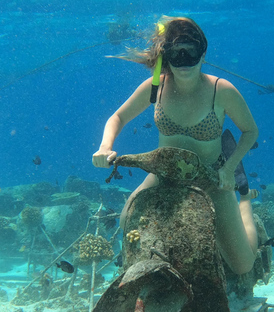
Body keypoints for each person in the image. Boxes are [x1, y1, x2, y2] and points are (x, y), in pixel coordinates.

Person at [92, 16, 259, 275]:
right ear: (165, 56)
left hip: (213, 176)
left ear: (203, 54)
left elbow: (250, 131)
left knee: (243, 266)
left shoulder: (221, 90)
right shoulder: (155, 87)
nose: (184, 62)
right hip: (164, 173)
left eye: (190, 53)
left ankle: (246, 202)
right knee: (126, 220)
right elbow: (118, 117)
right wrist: (105, 147)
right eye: (176, 54)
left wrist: (230, 169)